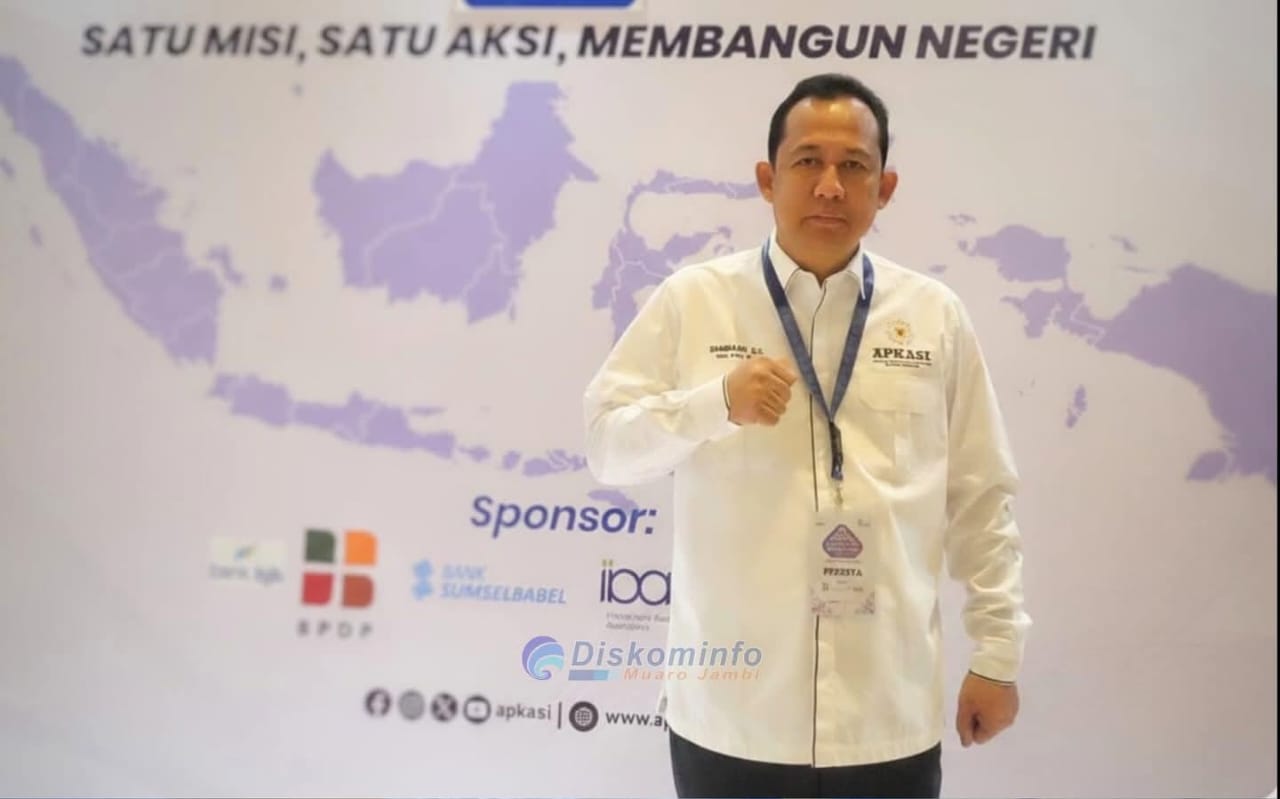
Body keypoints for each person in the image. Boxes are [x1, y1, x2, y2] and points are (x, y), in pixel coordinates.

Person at [582, 73, 1030, 799]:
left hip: (887, 714)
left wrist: (998, 654)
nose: (830, 185)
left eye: (854, 165)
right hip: (733, 717)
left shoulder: (935, 316)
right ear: (768, 179)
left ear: (884, 188)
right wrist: (714, 404)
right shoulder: (695, 301)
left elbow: (982, 498)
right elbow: (607, 446)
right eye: (807, 161)